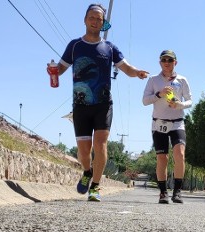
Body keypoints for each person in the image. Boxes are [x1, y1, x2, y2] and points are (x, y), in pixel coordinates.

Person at [53, 4, 149, 202]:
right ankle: (87, 171)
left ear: (104, 23)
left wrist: (137, 72)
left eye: (99, 19)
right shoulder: (74, 45)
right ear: (85, 19)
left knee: (100, 143)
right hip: (80, 104)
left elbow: (127, 68)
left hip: (103, 104)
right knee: (84, 151)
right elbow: (60, 69)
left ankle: (95, 187)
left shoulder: (110, 48)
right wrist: (52, 70)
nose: (95, 21)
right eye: (92, 17)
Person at [142, 49, 192, 204]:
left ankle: (177, 191)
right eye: (164, 60)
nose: (167, 63)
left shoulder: (182, 80)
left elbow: (190, 101)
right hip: (159, 123)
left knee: (180, 154)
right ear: (160, 62)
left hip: (177, 122)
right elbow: (145, 101)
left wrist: (180, 105)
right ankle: (163, 193)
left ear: (175, 62)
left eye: (170, 60)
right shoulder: (153, 80)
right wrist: (159, 94)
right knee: (162, 158)